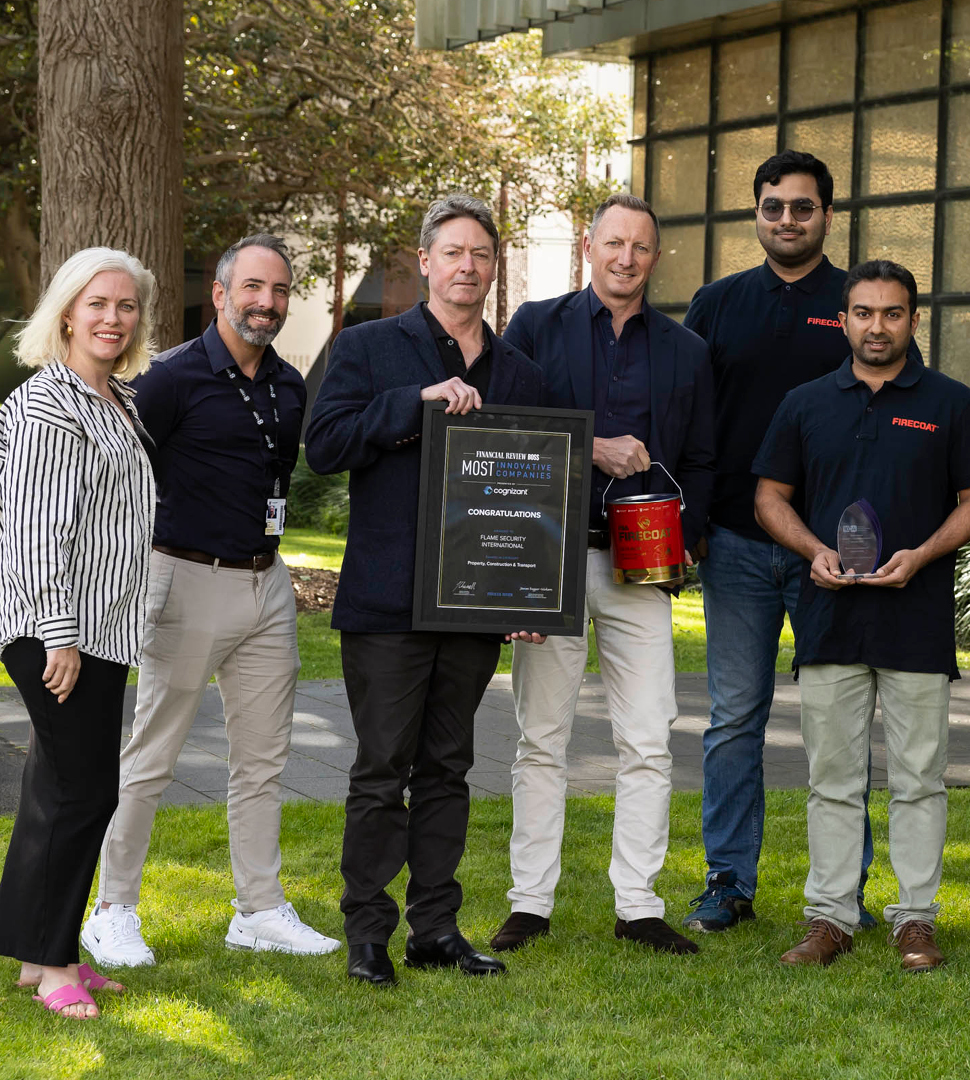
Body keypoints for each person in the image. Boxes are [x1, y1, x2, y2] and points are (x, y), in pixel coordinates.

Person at [306, 194, 549, 986]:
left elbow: (536, 492)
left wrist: (528, 594)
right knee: (382, 768)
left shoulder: (520, 373)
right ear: (425, 262)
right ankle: (368, 935)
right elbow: (326, 446)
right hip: (387, 603)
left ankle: (435, 929)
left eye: (480, 254)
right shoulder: (371, 348)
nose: (467, 267)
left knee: (448, 766)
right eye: (453, 252)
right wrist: (413, 402)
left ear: (494, 267)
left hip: (475, 606)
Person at [81, 235, 339, 969]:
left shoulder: (288, 385)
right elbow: (118, 476)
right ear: (221, 294)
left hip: (267, 585)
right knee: (151, 758)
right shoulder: (170, 378)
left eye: (280, 291)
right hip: (185, 583)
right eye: (253, 287)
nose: (267, 302)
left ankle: (257, 908)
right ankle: (112, 909)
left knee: (262, 761)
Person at [753, 260, 970, 971]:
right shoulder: (805, 403)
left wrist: (920, 556)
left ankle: (915, 918)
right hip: (829, 617)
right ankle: (830, 918)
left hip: (914, 616)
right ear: (844, 320)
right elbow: (770, 497)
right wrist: (812, 549)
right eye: (864, 313)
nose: (878, 326)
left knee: (918, 776)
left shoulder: (952, 403)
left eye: (893, 313)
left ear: (914, 321)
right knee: (832, 778)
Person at [491, 194, 715, 957]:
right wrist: (593, 446)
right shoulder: (534, 327)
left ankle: (639, 905)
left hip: (642, 571)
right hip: (552, 556)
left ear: (657, 258)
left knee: (651, 735)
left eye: (641, 247)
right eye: (613, 243)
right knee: (540, 736)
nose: (626, 258)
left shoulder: (687, 351)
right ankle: (529, 903)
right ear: (588, 247)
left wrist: (695, 541)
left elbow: (707, 461)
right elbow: (506, 427)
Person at [682, 150, 877, 932]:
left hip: (832, 555)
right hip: (733, 542)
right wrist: (686, 522)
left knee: (838, 720)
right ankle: (727, 880)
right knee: (735, 717)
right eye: (773, 207)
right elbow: (687, 418)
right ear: (755, 214)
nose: (787, 220)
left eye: (802, 207)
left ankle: (843, 889)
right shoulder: (717, 303)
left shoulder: (861, 303)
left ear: (828, 215)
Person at [0, 247, 159, 1019]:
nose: (113, 318)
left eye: (126, 306)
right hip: (57, 628)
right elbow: (35, 532)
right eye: (98, 303)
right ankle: (57, 963)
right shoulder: (47, 405)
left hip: (100, 629)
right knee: (80, 789)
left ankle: (41, 955)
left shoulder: (114, 398)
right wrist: (60, 635)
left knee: (55, 790)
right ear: (66, 310)